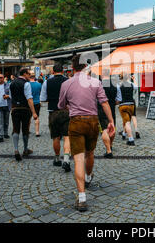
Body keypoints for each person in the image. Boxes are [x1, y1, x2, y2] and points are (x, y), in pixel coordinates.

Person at [58, 55, 115, 212]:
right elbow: (104, 102)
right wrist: (111, 121)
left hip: (76, 121)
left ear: (72, 67)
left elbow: (61, 105)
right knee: (90, 154)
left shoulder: (66, 84)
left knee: (78, 159)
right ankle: (89, 178)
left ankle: (82, 198)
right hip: (92, 121)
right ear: (85, 66)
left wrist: (71, 106)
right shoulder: (95, 82)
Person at [40, 63, 71, 172]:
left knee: (56, 137)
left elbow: (43, 98)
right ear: (63, 71)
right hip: (66, 111)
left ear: (53, 71)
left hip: (53, 111)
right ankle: (66, 159)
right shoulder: (68, 81)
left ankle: (57, 158)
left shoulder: (46, 82)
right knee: (67, 136)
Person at [10, 68, 38, 161]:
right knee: (25, 129)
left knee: (15, 129)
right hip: (24, 109)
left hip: (14, 109)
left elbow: (11, 97)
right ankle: (25, 149)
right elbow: (29, 98)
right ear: (25, 74)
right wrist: (34, 112)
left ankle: (16, 150)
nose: (29, 76)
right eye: (29, 74)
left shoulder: (12, 83)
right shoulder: (26, 84)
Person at [99, 70, 121, 158]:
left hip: (101, 109)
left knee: (104, 129)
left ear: (102, 75)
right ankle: (110, 146)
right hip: (111, 109)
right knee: (112, 127)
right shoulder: (116, 85)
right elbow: (118, 100)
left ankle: (108, 151)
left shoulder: (99, 84)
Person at [117, 73, 138, 146]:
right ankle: (124, 133)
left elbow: (118, 96)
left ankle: (131, 139)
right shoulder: (132, 84)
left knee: (127, 122)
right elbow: (136, 88)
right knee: (127, 120)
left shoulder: (119, 85)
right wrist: (134, 80)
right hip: (131, 105)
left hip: (123, 105)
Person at [29, 73, 42, 137]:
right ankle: (37, 132)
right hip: (37, 102)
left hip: (29, 103)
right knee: (36, 117)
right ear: (34, 77)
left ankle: (27, 130)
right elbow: (40, 92)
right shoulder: (39, 84)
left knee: (28, 118)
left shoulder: (27, 84)